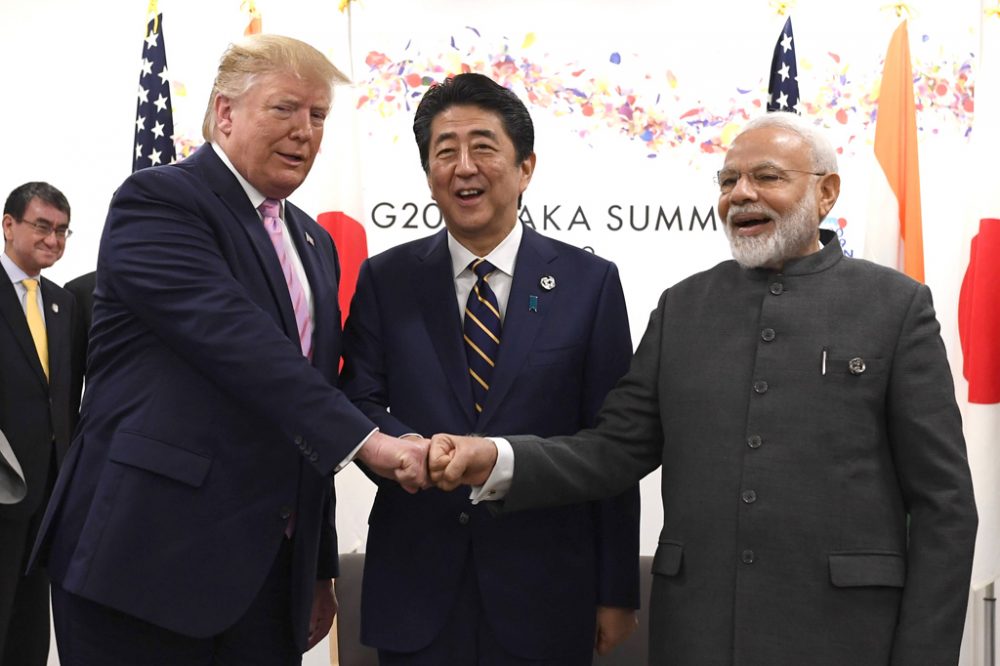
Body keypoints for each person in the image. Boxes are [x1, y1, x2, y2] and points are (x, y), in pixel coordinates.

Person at [429, 111, 979, 666]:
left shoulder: (895, 306)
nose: (740, 195)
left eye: (766, 177)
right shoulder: (684, 307)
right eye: (727, 181)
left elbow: (945, 505)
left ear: (826, 192)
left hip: (846, 638)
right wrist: (496, 459)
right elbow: (613, 450)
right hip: (698, 633)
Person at [31, 34, 427, 665]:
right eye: (284, 108)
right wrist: (369, 442)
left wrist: (316, 567)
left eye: (318, 116)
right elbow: (240, 344)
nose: (304, 131)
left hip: (267, 584)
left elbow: (310, 398)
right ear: (224, 113)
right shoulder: (160, 201)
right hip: (144, 565)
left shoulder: (315, 244)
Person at [340, 72, 641, 664]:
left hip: (547, 587)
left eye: (483, 147)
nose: (464, 166)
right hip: (416, 588)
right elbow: (357, 400)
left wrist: (616, 591)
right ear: (428, 173)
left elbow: (614, 445)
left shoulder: (589, 284)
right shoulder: (385, 279)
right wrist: (414, 452)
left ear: (526, 168)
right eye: (444, 151)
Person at [0, 182, 84, 665]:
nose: (53, 239)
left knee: (31, 627)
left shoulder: (63, 302)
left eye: (61, 231)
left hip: (50, 491)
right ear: (8, 225)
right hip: (3, 484)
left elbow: (64, 396)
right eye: (42, 227)